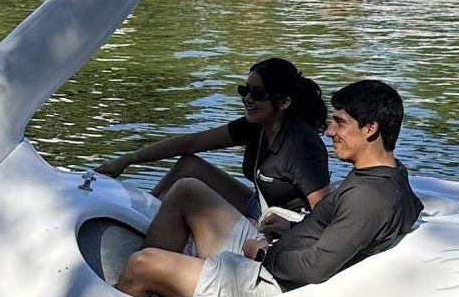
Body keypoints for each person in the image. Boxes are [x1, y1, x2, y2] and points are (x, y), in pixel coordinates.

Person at [118, 79, 422, 297]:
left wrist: (262, 253)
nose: (329, 131)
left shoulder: (370, 197)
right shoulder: (389, 175)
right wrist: (289, 228)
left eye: (340, 122)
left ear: (370, 129)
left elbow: (314, 269)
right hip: (277, 253)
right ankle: (156, 294)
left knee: (143, 263)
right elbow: (339, 232)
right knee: (188, 189)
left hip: (272, 284)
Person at [98, 57, 331, 265]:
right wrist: (128, 159)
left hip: (281, 225)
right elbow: (193, 143)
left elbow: (324, 213)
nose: (247, 99)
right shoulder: (256, 127)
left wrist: (290, 228)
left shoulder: (302, 145)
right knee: (190, 166)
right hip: (260, 208)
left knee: (187, 190)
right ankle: (153, 223)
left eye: (257, 94)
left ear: (283, 103)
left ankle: (148, 263)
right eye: (244, 90)